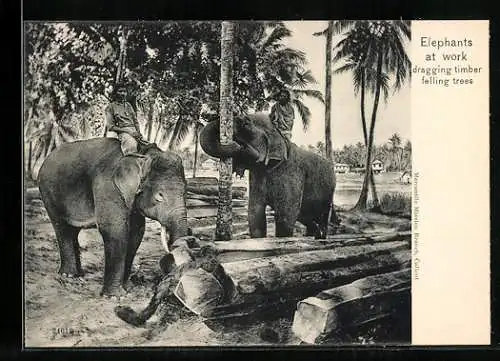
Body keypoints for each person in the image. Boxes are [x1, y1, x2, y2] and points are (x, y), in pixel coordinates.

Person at [105, 82, 146, 156]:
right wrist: (127, 130)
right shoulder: (111, 107)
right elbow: (110, 126)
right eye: (120, 91)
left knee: (148, 146)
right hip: (123, 132)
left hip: (134, 131)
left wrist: (138, 133)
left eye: (124, 91)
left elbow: (135, 121)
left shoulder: (128, 105)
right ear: (115, 93)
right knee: (132, 146)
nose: (123, 94)